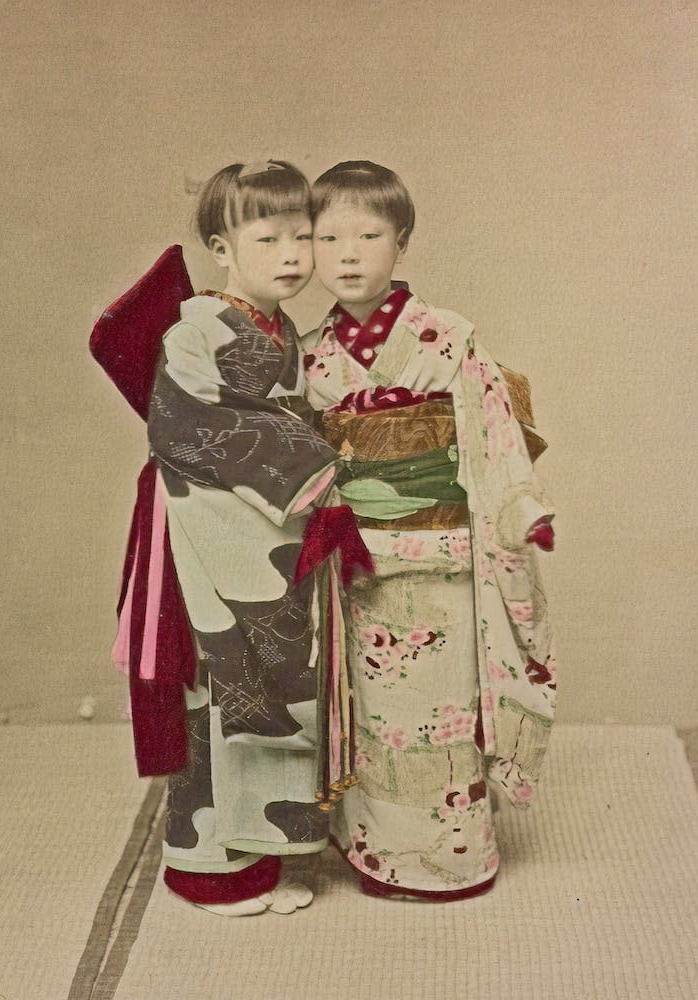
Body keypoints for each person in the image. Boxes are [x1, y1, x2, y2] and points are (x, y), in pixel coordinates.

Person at [301, 160, 556, 901]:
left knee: (442, 716)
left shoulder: (449, 337)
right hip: (359, 564)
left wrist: (522, 511)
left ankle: (453, 859)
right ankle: (377, 854)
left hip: (444, 560)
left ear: (402, 243)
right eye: (327, 237)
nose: (348, 254)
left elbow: (494, 436)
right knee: (376, 718)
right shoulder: (311, 354)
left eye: (369, 234)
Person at [93, 160, 341, 916]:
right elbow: (190, 425)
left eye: (303, 235)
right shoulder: (198, 329)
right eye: (268, 238)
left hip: (266, 540)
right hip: (212, 539)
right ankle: (206, 870)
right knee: (219, 694)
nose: (292, 254)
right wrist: (314, 479)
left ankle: (263, 859)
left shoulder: (282, 329)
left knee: (277, 691)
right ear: (221, 246)